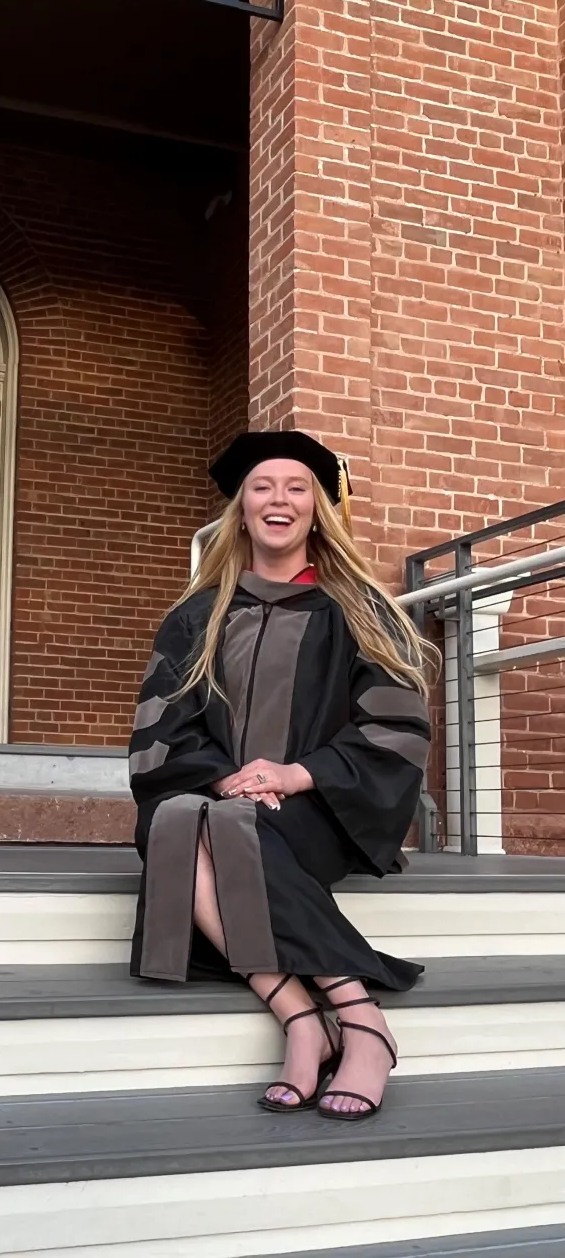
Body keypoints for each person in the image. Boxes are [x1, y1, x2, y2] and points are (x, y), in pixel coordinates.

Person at [128, 430, 433, 1121]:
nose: (279, 500)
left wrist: (297, 774)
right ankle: (304, 1015)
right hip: (221, 803)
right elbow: (160, 735)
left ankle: (356, 1021)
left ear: (318, 509)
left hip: (320, 810)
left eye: (297, 488)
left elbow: (395, 727)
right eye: (262, 487)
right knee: (179, 817)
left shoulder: (358, 611)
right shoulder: (195, 618)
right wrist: (227, 781)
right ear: (240, 510)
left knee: (214, 828)